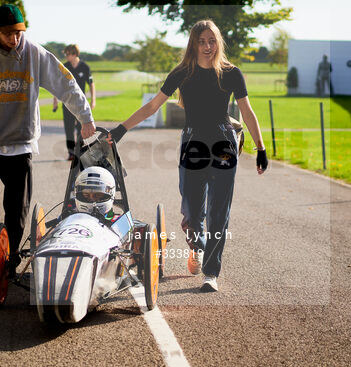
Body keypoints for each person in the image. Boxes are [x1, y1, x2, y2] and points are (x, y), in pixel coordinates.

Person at [109, 19, 268, 292]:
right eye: (201, 41)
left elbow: (247, 111)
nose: (207, 46)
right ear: (193, 44)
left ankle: (211, 272)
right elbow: (152, 106)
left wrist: (261, 148)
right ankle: (198, 245)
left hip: (223, 142)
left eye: (211, 41)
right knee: (192, 210)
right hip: (193, 141)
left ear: (218, 42)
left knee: (220, 210)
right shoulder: (182, 73)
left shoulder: (231, 73)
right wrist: (122, 129)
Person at [0, 3, 96, 277]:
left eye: (19, 33)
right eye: (8, 34)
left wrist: (85, 117)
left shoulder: (34, 52)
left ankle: (7, 256)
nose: (15, 39)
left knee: (17, 211)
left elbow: (64, 83)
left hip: (20, 145)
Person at [52, 44, 96, 160]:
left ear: (74, 54)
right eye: (65, 54)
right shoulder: (64, 67)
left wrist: (93, 100)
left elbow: (91, 84)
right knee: (69, 128)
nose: (66, 56)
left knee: (81, 128)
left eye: (68, 54)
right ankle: (71, 153)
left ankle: (79, 151)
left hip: (81, 104)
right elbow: (56, 85)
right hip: (67, 104)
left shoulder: (85, 67)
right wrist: (55, 101)